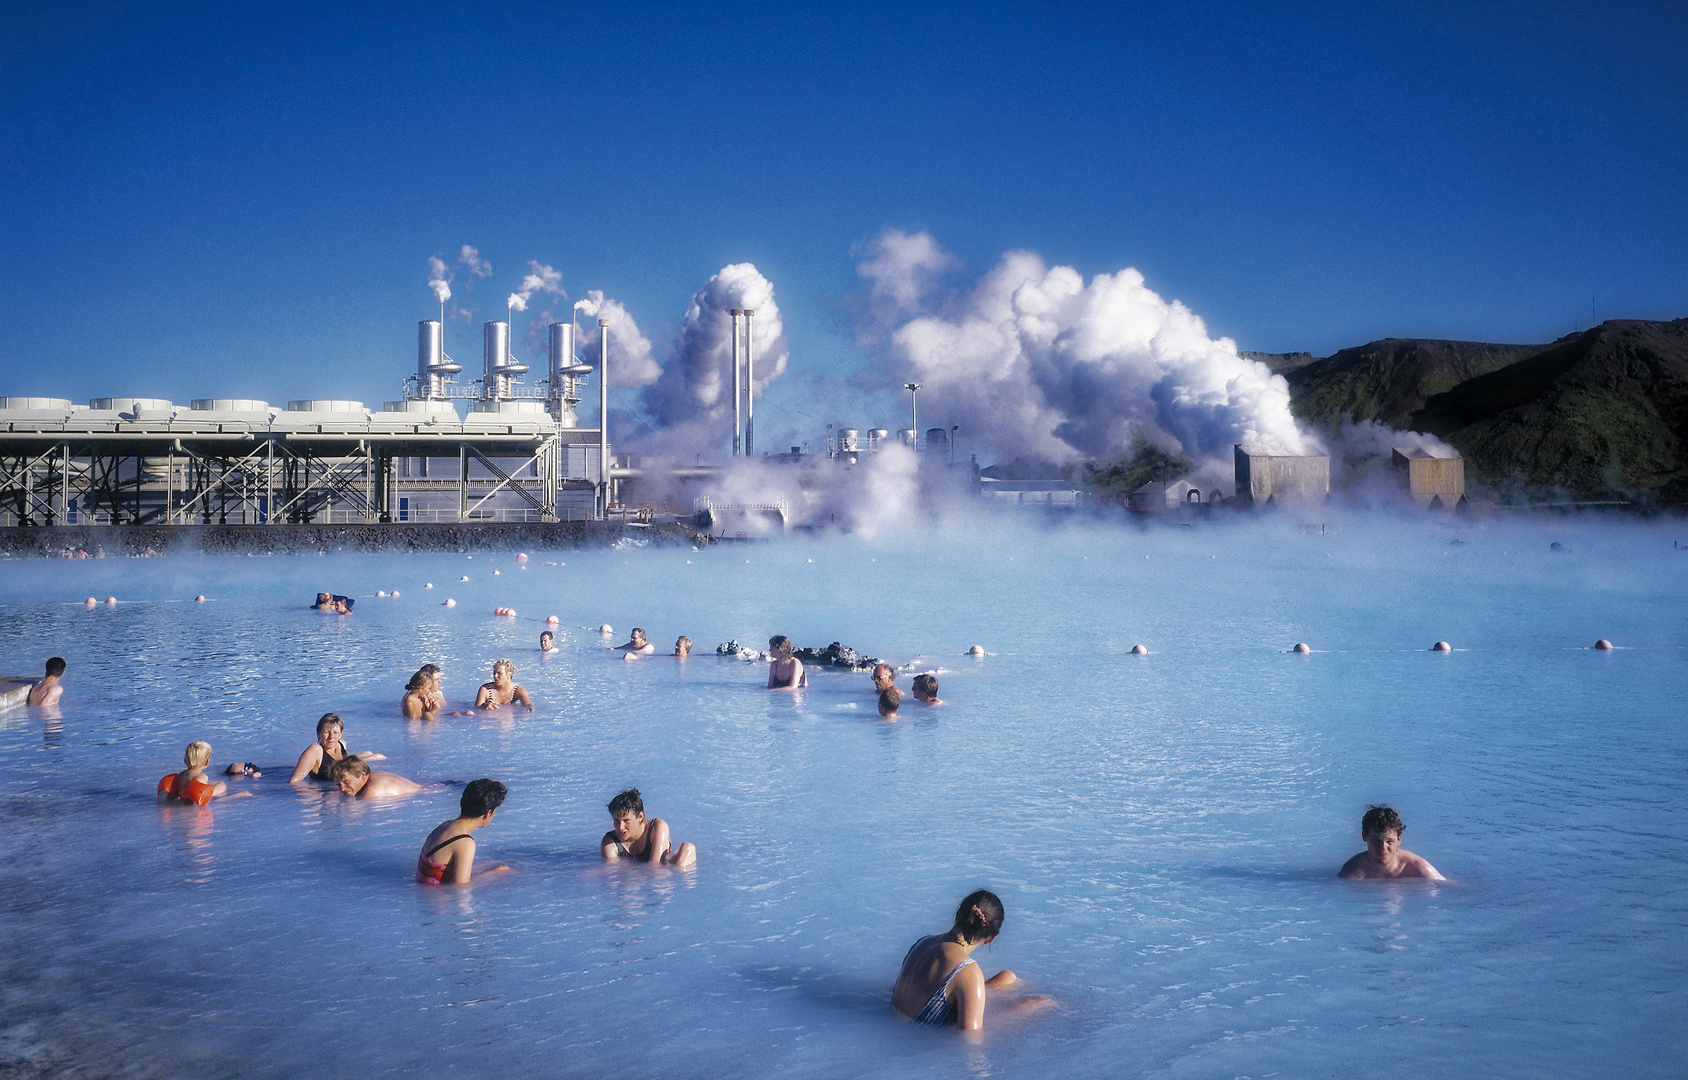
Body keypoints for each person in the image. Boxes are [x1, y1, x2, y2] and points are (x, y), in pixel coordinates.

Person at [893, 890, 1046, 1031]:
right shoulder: (967, 971)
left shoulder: (923, 942)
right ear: (990, 939)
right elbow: (969, 1041)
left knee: (1007, 976)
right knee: (1040, 1001)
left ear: (958, 914)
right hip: (920, 1033)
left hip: (897, 1021)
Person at [416, 778, 511, 885]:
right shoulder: (465, 842)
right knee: (503, 869)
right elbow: (460, 887)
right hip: (437, 899)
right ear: (488, 813)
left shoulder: (445, 826)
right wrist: (494, 873)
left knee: (490, 864)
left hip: (427, 889)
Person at [1338, 805, 1445, 880]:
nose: (1383, 847)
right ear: (1364, 836)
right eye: (1376, 841)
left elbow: (1448, 889)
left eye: (1389, 841)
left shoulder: (1418, 868)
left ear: (1398, 840)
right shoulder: (1352, 871)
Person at [600, 788, 696, 867]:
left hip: (661, 869)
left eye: (626, 821)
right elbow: (612, 874)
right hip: (632, 879)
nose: (620, 827)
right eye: (616, 821)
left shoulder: (657, 827)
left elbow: (655, 866)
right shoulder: (609, 842)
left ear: (640, 817)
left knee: (687, 849)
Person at [289, 713, 385, 782]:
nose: (331, 737)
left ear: (340, 734)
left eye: (335, 733)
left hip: (345, 769)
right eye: (326, 732)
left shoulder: (341, 744)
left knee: (373, 755)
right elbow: (294, 781)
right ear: (319, 734)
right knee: (377, 757)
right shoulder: (315, 750)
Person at [158, 741, 251, 805]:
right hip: (197, 802)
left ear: (185, 761)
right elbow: (204, 798)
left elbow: (171, 798)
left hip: (184, 801)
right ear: (207, 762)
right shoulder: (201, 777)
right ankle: (237, 795)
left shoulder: (181, 775)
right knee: (222, 785)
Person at [331, 756, 421, 798]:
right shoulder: (373, 776)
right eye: (338, 785)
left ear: (362, 776)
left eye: (346, 782)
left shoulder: (370, 793)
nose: (342, 789)